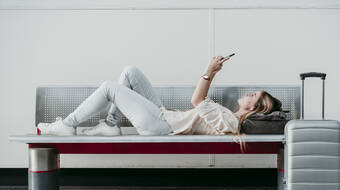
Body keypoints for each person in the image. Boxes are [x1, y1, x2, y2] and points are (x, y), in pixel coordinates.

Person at [38, 55, 282, 152]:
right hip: (163, 115)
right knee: (130, 73)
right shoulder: (228, 115)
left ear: (254, 107)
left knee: (109, 87)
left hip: (160, 125)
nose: (248, 93)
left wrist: (209, 71)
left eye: (253, 95)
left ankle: (68, 124)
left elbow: (196, 100)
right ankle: (110, 124)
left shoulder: (229, 120)